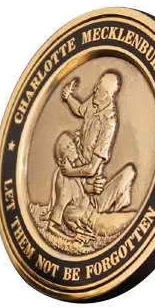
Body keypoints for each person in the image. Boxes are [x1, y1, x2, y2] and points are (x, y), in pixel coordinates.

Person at [60, 72, 136, 215]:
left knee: (129, 172)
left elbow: (91, 169)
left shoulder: (108, 123)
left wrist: (70, 172)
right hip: (77, 165)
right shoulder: (95, 100)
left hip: (90, 182)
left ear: (106, 96)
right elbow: (79, 110)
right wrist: (68, 97)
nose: (94, 89)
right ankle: (120, 199)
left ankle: (105, 206)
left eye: (98, 88)